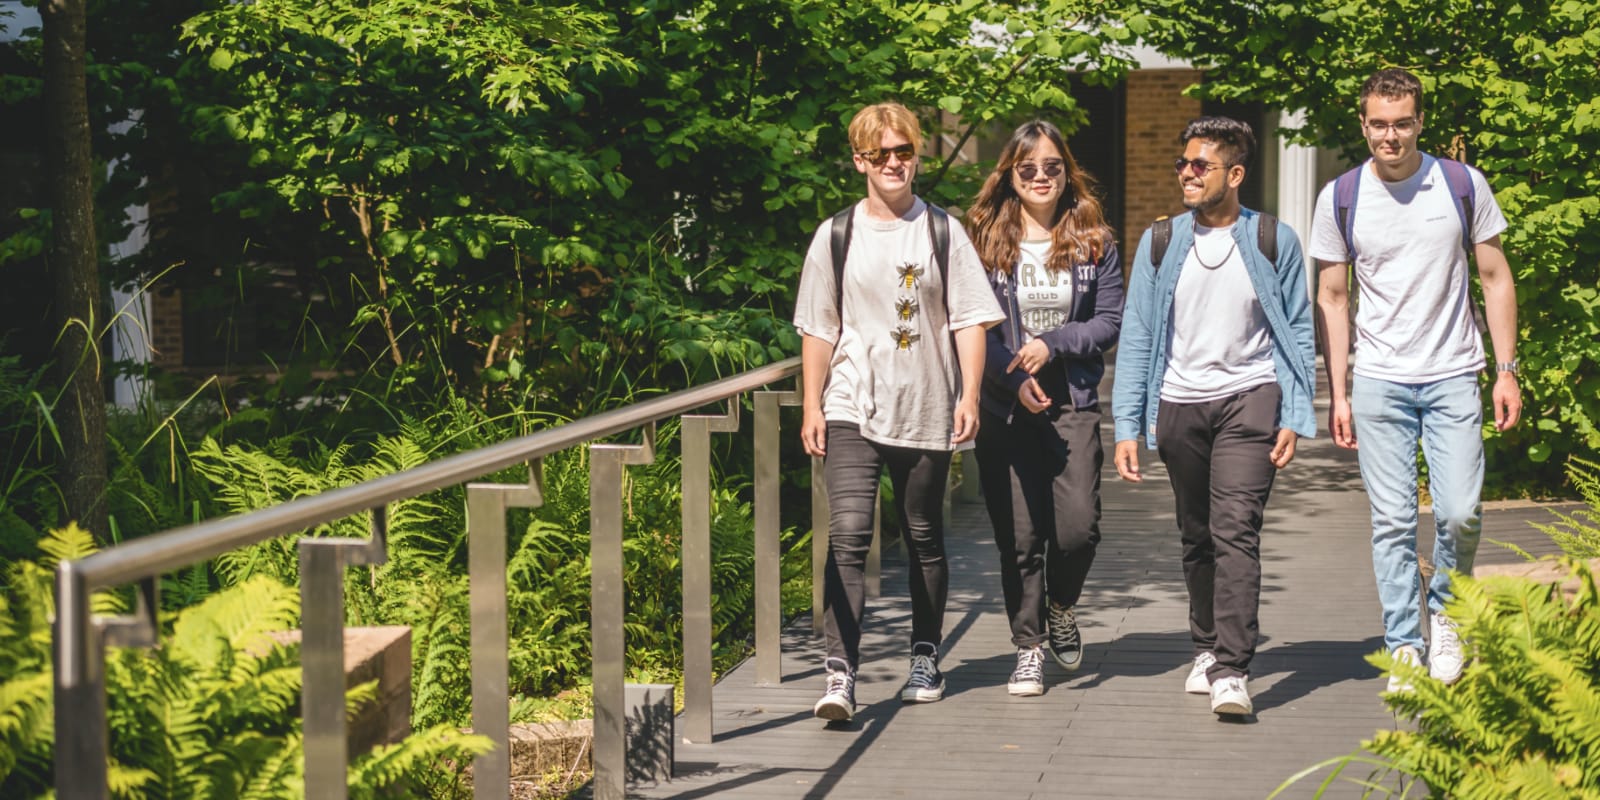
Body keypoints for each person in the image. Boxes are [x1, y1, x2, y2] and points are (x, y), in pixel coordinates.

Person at [792, 102, 1004, 722]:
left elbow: (969, 319)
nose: (892, 163)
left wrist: (969, 395)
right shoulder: (837, 234)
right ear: (859, 160)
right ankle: (840, 675)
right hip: (852, 402)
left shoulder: (942, 230)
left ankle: (924, 655)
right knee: (850, 534)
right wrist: (812, 403)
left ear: (917, 154)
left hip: (926, 405)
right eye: (879, 154)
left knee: (922, 537)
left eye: (903, 151)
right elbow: (819, 327)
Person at [1310, 68, 1522, 690]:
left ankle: (1447, 616)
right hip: (1379, 379)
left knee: (1460, 513)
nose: (1391, 136)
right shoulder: (1340, 196)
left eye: (1403, 123)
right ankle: (1404, 641)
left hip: (1455, 371)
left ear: (1420, 121)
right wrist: (1340, 391)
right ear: (1363, 124)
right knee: (1393, 521)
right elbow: (1331, 296)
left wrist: (1506, 372)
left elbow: (1496, 279)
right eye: (1379, 123)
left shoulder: (1460, 183)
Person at [1111, 116, 1316, 717]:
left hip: (1251, 397)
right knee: (1197, 532)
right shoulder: (1159, 241)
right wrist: (1128, 425)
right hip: (1178, 401)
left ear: (1235, 174)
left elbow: (1298, 331)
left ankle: (1232, 668)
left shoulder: (1274, 239)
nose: (1186, 174)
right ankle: (1205, 645)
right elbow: (1139, 334)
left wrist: (1295, 412)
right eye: (1183, 164)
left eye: (1199, 166)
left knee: (1236, 530)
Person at [963, 120, 1122, 697]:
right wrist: (1011, 376)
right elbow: (973, 323)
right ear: (1010, 173)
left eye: (1052, 167)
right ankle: (1028, 646)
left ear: (1066, 171)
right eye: (1027, 168)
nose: (1040, 177)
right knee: (1020, 537)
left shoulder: (1093, 239)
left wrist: (1051, 345)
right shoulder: (981, 238)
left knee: (1078, 529)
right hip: (1005, 406)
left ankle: (1061, 605)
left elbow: (1109, 320)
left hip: (1070, 401)